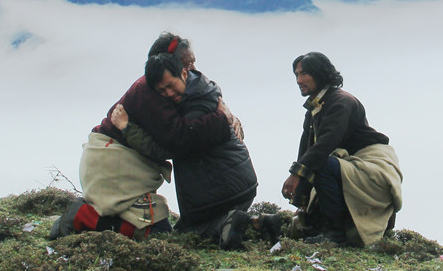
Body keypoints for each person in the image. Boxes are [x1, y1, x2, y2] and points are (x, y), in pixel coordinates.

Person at [50, 33, 237, 241]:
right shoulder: (149, 95)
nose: (192, 70)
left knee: (158, 229)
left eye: (192, 63)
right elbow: (179, 137)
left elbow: (195, 112)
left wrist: (226, 112)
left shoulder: (165, 90)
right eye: (186, 64)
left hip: (119, 163)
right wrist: (222, 119)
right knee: (156, 234)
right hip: (112, 162)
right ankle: (82, 217)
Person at [113, 52, 265, 248]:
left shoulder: (192, 109)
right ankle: (259, 224)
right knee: (205, 229)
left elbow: (170, 147)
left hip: (222, 191)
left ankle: (232, 221)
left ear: (184, 73)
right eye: (162, 90)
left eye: (171, 85)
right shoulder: (203, 89)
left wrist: (127, 128)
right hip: (239, 183)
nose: (168, 93)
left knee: (188, 236)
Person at [281, 52, 403, 246]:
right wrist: (301, 195)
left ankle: (335, 235)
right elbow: (307, 149)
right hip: (347, 164)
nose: (299, 80)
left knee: (321, 165)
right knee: (317, 176)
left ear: (319, 74)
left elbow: (325, 144)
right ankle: (325, 228)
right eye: (297, 75)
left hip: (373, 166)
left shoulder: (341, 101)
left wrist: (296, 174)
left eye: (304, 74)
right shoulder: (315, 108)